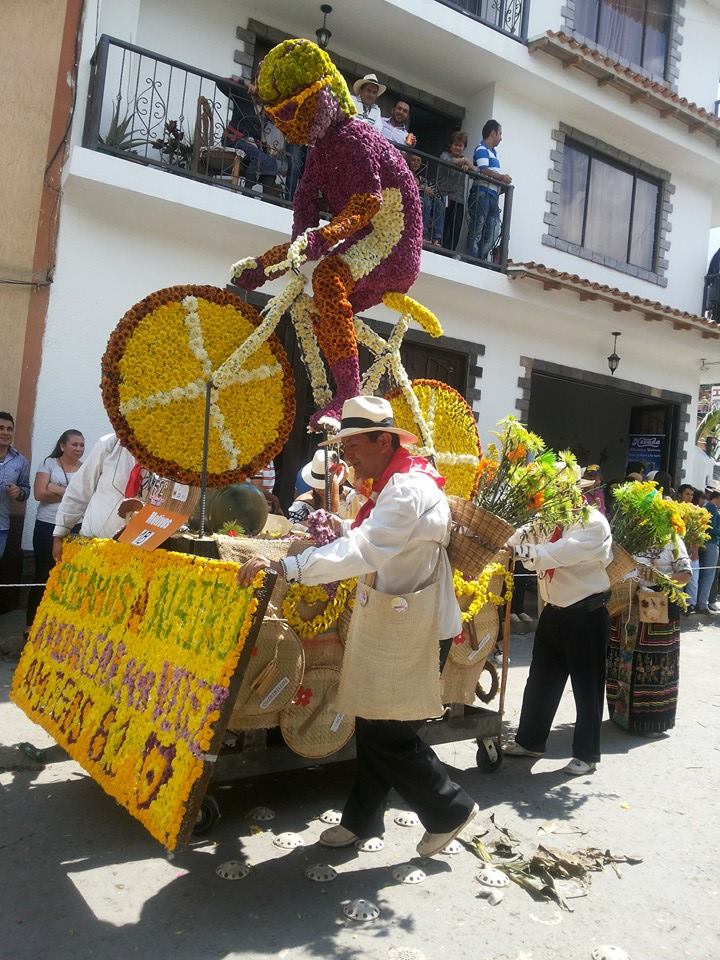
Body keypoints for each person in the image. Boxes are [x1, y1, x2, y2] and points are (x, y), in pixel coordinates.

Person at [237, 396, 478, 856]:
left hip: (416, 628)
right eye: (344, 445)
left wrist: (289, 567)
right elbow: (374, 539)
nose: (347, 455)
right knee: (372, 723)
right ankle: (362, 820)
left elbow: (367, 551)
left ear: (383, 441)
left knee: (389, 733)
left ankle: (449, 807)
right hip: (398, 620)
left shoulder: (406, 490)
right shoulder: (397, 485)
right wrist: (339, 529)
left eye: (353, 445)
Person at [504, 468, 613, 775]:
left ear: (576, 493)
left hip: (586, 614)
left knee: (587, 687)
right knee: (540, 680)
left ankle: (587, 755)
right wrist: (503, 538)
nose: (551, 498)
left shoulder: (593, 524)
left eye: (557, 492)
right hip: (553, 611)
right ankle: (530, 741)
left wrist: (516, 550)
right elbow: (518, 536)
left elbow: (552, 554)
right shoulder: (547, 520)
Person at [606, 536, 691, 736]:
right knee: (622, 661)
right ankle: (620, 715)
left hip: (657, 609)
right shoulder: (627, 535)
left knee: (652, 663)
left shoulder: (671, 540)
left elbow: (685, 575)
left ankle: (649, 721)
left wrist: (657, 578)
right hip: (626, 607)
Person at [52, 433, 141, 561]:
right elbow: (80, 489)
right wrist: (60, 533)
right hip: (92, 545)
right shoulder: (110, 443)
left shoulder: (166, 455)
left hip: (137, 554)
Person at [27, 429, 85, 626]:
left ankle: (58, 624)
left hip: (74, 527)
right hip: (47, 525)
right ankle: (32, 623)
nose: (79, 448)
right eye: (74, 444)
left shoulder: (85, 469)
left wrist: (56, 488)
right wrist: (70, 494)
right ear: (62, 445)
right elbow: (39, 494)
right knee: (43, 573)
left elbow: (84, 498)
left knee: (68, 576)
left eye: (82, 445)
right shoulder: (49, 464)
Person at [216, 75, 279, 189]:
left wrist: (266, 147)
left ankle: (251, 195)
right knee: (267, 162)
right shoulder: (243, 95)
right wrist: (244, 83)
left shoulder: (267, 110)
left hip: (250, 146)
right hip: (233, 140)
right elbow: (220, 82)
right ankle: (249, 194)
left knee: (264, 161)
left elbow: (257, 134)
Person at [465, 119, 511, 261]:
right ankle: (473, 259)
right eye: (500, 134)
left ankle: (480, 258)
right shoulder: (482, 149)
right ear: (493, 133)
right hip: (482, 194)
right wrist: (502, 177)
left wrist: (500, 181)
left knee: (493, 230)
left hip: (491, 196)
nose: (501, 138)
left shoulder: (493, 152)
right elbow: (484, 170)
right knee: (477, 229)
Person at [0, 412, 30, 560]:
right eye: (1, 428)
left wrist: (19, 493)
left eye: (9, 429)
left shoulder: (21, 461)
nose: (5, 432)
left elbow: (26, 490)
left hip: (2, 526)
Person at [287, 449, 345, 524]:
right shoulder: (302, 505)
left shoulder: (350, 498)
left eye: (325, 486)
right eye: (317, 485)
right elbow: (293, 526)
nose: (320, 489)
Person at [438, 131, 472, 251]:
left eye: (460, 145)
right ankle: (438, 249)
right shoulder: (445, 155)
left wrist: (468, 165)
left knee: (456, 228)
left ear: (464, 147)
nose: (457, 147)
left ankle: (450, 253)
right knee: (443, 225)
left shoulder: (464, 161)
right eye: (455, 145)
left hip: (459, 200)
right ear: (451, 145)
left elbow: (476, 171)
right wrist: (465, 161)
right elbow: (450, 161)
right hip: (444, 196)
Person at [406, 153, 444, 246]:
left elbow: (429, 189)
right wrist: (423, 188)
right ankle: (423, 234)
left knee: (439, 203)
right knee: (426, 202)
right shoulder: (406, 172)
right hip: (411, 199)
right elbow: (407, 186)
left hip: (424, 200)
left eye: (418, 161)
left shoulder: (421, 178)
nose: (416, 163)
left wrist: (430, 191)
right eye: (413, 160)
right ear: (409, 161)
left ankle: (437, 238)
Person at [695, 486, 720, 614]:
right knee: (709, 574)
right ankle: (702, 604)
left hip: (706, 543)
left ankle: (700, 602)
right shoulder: (712, 507)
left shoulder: (708, 506)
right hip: (711, 543)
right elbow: (712, 529)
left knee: (705, 574)